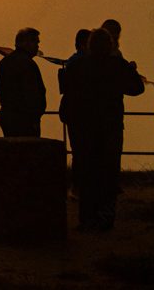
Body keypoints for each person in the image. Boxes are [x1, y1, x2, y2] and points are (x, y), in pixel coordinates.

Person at [62, 28, 145, 230]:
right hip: (110, 127)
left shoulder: (78, 66)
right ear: (110, 45)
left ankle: (86, 218)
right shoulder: (117, 65)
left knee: (87, 173)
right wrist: (131, 71)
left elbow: (69, 94)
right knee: (108, 172)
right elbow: (137, 88)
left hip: (84, 128)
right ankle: (105, 218)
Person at [59, 29, 92, 197]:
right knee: (83, 151)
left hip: (73, 112)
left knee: (79, 150)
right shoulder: (84, 63)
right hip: (81, 113)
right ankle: (80, 186)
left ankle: (78, 186)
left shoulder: (71, 62)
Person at [0, 28, 46, 137]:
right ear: (26, 43)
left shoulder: (4, 63)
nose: (38, 46)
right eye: (35, 42)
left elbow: (2, 91)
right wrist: (36, 114)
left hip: (8, 116)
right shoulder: (28, 64)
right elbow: (33, 94)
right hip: (26, 119)